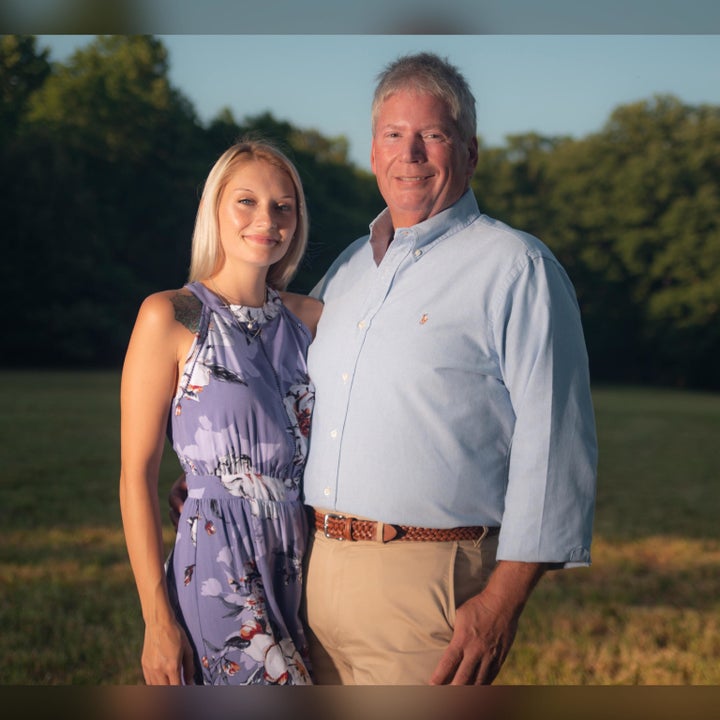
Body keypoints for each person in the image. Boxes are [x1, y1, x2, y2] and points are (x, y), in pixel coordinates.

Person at [171, 51, 598, 686]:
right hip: (308, 576)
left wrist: (503, 600)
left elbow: (557, 445)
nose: (412, 153)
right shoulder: (344, 273)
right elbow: (289, 395)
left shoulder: (516, 269)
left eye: (433, 134)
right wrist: (235, 477)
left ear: (470, 152)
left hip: (426, 584)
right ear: (374, 153)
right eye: (394, 135)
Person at [119, 138, 323, 686]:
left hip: (300, 559)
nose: (268, 220)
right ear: (215, 208)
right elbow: (136, 476)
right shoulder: (172, 316)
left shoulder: (310, 321)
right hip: (217, 557)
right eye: (247, 201)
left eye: (284, 206)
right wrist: (156, 620)